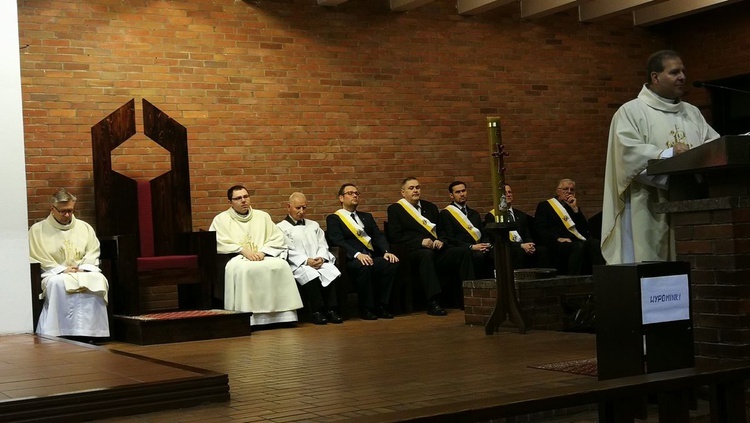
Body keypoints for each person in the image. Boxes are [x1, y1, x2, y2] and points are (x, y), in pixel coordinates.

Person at [602, 49, 720, 264]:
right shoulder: (631, 112)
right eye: (674, 72)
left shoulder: (692, 112)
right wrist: (668, 154)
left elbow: (713, 145)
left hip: (691, 199)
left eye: (683, 71)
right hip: (648, 204)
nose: (682, 77)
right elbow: (627, 155)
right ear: (655, 77)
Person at [210, 185, 303, 326]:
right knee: (245, 269)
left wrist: (263, 251)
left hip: (262, 255)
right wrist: (242, 250)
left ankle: (284, 316)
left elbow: (277, 237)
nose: (243, 201)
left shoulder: (262, 216)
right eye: (238, 198)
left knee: (281, 265)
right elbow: (218, 240)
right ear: (230, 202)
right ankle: (248, 318)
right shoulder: (221, 219)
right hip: (237, 258)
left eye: (246, 197)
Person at [28, 188, 110, 340]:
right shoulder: (38, 230)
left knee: (98, 280)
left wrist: (83, 268)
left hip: (81, 271)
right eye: (63, 211)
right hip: (55, 273)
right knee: (57, 283)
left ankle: (93, 332)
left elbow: (93, 251)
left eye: (70, 211)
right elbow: (37, 255)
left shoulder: (84, 228)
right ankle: (59, 331)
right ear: (53, 209)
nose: (67, 215)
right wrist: (61, 270)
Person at [387, 177, 474, 315]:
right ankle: (434, 301)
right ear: (403, 192)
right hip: (413, 253)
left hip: (436, 250)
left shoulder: (430, 207)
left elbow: (442, 231)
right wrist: (419, 242)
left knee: (463, 252)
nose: (415, 190)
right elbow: (395, 236)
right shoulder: (395, 209)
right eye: (411, 188)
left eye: (417, 187)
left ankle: (468, 297)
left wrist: (441, 240)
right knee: (426, 255)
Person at [326, 183, 399, 320]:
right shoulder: (334, 218)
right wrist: (357, 254)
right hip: (352, 259)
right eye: (350, 193)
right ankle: (366, 308)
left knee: (390, 263)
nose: (354, 195)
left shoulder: (367, 217)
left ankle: (382, 305)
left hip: (372, 256)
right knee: (364, 266)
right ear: (341, 198)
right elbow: (337, 241)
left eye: (357, 193)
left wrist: (386, 251)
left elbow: (378, 236)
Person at [277, 192, 343, 325]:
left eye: (304, 208)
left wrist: (321, 258)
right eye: (298, 208)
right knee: (310, 274)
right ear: (288, 207)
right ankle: (317, 311)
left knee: (330, 271)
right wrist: (306, 261)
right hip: (299, 265)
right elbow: (287, 250)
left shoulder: (313, 225)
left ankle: (331, 310)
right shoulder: (281, 228)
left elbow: (322, 244)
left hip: (318, 261)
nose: (301, 211)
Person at [534, 179, 602, 275]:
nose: (569, 192)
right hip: (557, 242)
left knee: (595, 243)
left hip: (574, 239)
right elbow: (539, 229)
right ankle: (573, 279)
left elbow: (585, 229)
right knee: (578, 246)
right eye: (566, 189)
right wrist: (557, 238)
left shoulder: (573, 207)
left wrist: (575, 209)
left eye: (572, 190)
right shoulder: (545, 206)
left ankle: (599, 277)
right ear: (558, 191)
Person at [485, 184, 550, 270]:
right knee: (518, 252)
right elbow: (496, 239)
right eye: (505, 193)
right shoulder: (492, 216)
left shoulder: (520, 215)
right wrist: (521, 246)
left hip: (523, 245)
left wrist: (530, 244)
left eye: (510, 192)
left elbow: (526, 234)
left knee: (542, 251)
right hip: (507, 247)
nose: (508, 195)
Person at [438, 181, 494, 278]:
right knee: (478, 256)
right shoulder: (446, 214)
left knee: (497, 253)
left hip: (480, 248)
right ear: (451, 195)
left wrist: (486, 244)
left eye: (463, 191)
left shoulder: (474, 214)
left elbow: (483, 233)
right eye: (458, 192)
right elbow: (450, 238)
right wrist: (471, 247)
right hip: (463, 249)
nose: (462, 194)